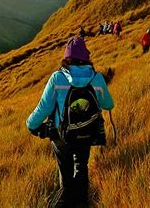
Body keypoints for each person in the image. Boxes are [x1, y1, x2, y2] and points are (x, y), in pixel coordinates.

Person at [26, 37, 114, 207]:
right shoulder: (96, 78)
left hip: (62, 135)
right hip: (87, 131)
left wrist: (31, 125)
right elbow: (108, 104)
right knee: (81, 165)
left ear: (67, 57)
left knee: (65, 172)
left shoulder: (57, 78)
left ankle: (66, 200)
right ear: (86, 57)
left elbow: (44, 108)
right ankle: (82, 202)